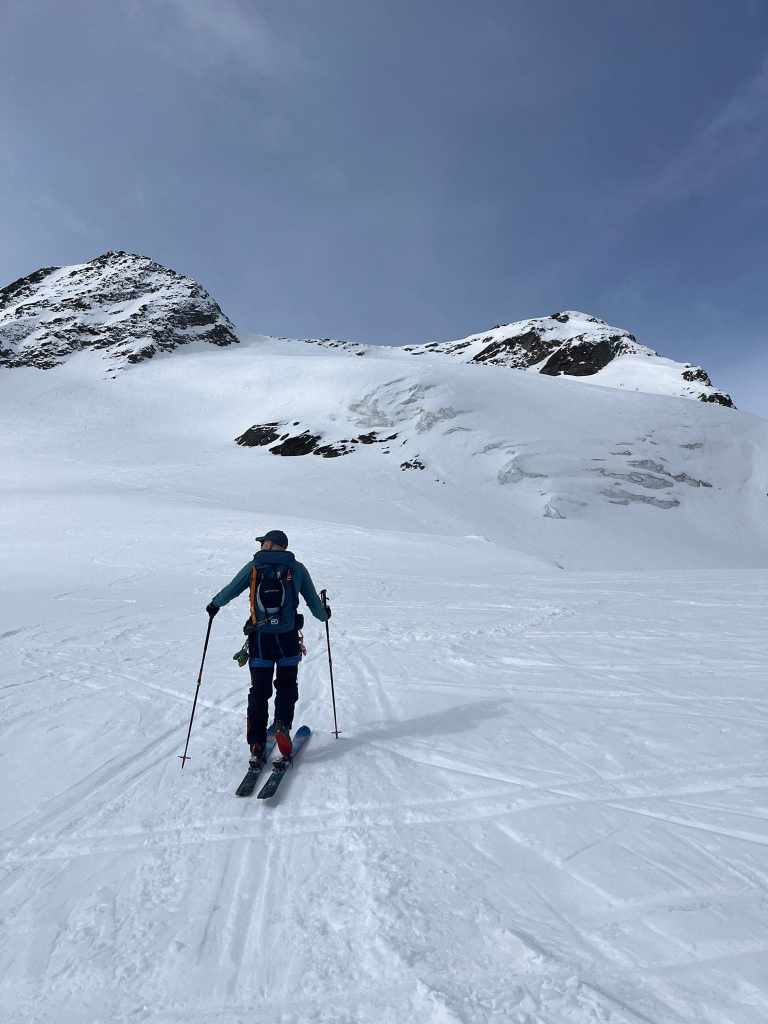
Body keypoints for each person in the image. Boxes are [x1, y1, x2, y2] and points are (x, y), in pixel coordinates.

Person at [206, 529, 330, 766]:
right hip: (288, 640)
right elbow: (314, 604)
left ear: (272, 544)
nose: (261, 546)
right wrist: (325, 614)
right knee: (286, 686)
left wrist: (214, 604)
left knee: (259, 691)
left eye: (264, 543)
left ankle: (257, 742)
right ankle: (282, 725)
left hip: (261, 640)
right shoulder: (297, 569)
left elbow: (231, 589)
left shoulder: (254, 567)